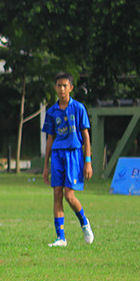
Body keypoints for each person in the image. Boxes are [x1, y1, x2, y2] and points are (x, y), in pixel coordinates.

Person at [41, 71, 94, 247]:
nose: (62, 89)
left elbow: (85, 136)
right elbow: (50, 139)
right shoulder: (51, 112)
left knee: (69, 196)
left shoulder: (78, 108)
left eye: (65, 86)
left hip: (74, 154)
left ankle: (84, 222)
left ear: (71, 88)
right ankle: (60, 238)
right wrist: (46, 165)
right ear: (55, 88)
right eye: (59, 85)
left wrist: (88, 161)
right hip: (57, 154)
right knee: (57, 194)